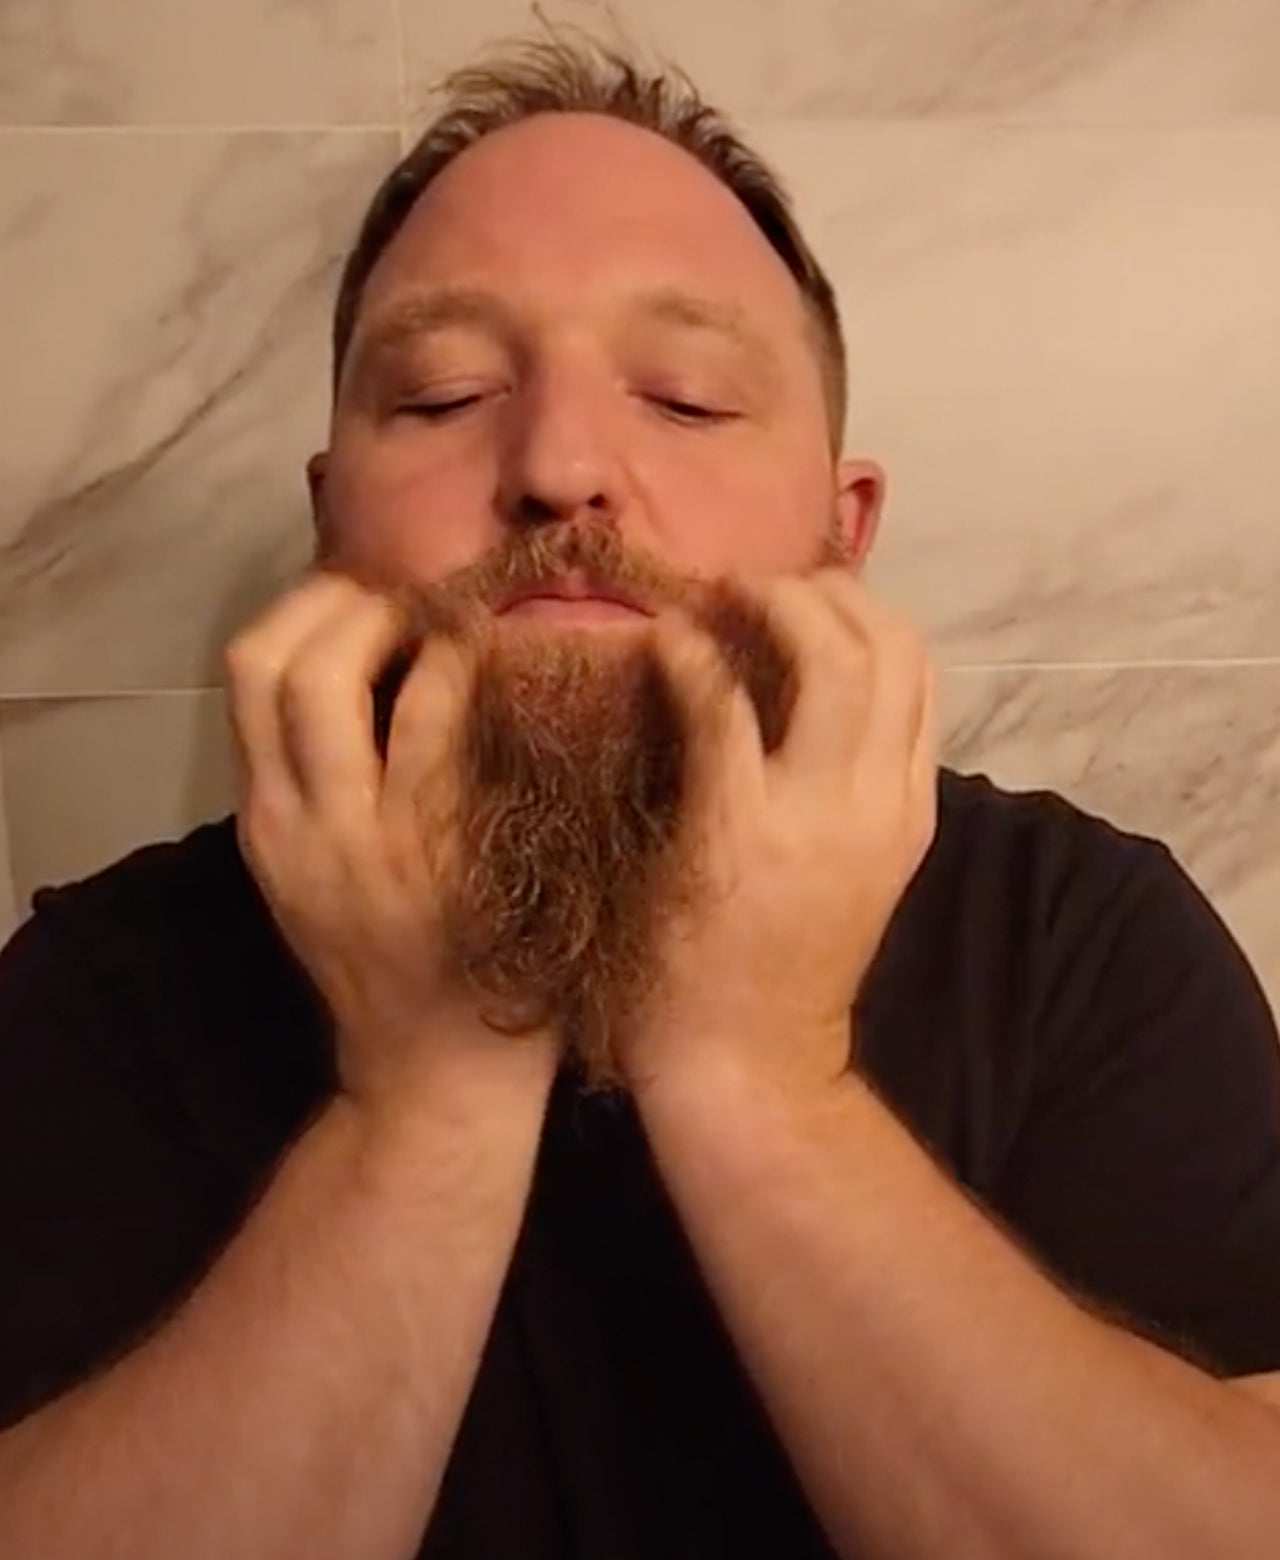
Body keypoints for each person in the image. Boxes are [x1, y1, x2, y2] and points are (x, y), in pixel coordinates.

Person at [2, 32, 1280, 1560]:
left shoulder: (1076, 938)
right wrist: (427, 1094)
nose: (559, 465)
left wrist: (764, 1081)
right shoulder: (106, 984)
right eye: (442, 395)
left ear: (842, 529)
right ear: (330, 520)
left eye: (686, 398)